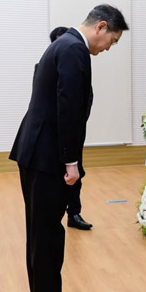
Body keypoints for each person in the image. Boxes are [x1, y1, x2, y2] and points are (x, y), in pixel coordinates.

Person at [10, 4, 128, 292]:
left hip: (40, 153)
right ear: (101, 27)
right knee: (45, 235)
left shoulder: (63, 45)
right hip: (48, 158)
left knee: (47, 232)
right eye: (112, 41)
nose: (108, 48)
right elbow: (67, 108)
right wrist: (71, 161)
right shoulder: (75, 48)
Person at [49, 26, 92, 231]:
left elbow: (85, 98)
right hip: (55, 136)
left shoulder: (77, 60)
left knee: (77, 174)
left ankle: (74, 213)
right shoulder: (44, 66)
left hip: (73, 133)